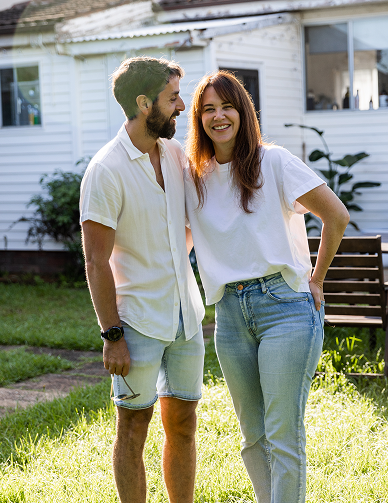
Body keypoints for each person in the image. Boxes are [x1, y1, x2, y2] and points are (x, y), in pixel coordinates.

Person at [184, 70, 349, 503]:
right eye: (208, 110)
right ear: (199, 120)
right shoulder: (194, 178)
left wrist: (316, 279)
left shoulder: (273, 161)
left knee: (282, 434)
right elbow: (181, 239)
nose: (218, 117)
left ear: (243, 111)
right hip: (230, 317)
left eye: (227, 106)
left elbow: (336, 216)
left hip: (284, 308)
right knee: (252, 437)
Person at [80, 56, 205, 503]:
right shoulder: (106, 169)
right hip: (135, 326)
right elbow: (96, 261)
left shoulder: (174, 154)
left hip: (187, 318)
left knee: (185, 424)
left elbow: (188, 224)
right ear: (143, 102)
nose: (181, 106)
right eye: (173, 98)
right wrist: (112, 334)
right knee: (133, 429)